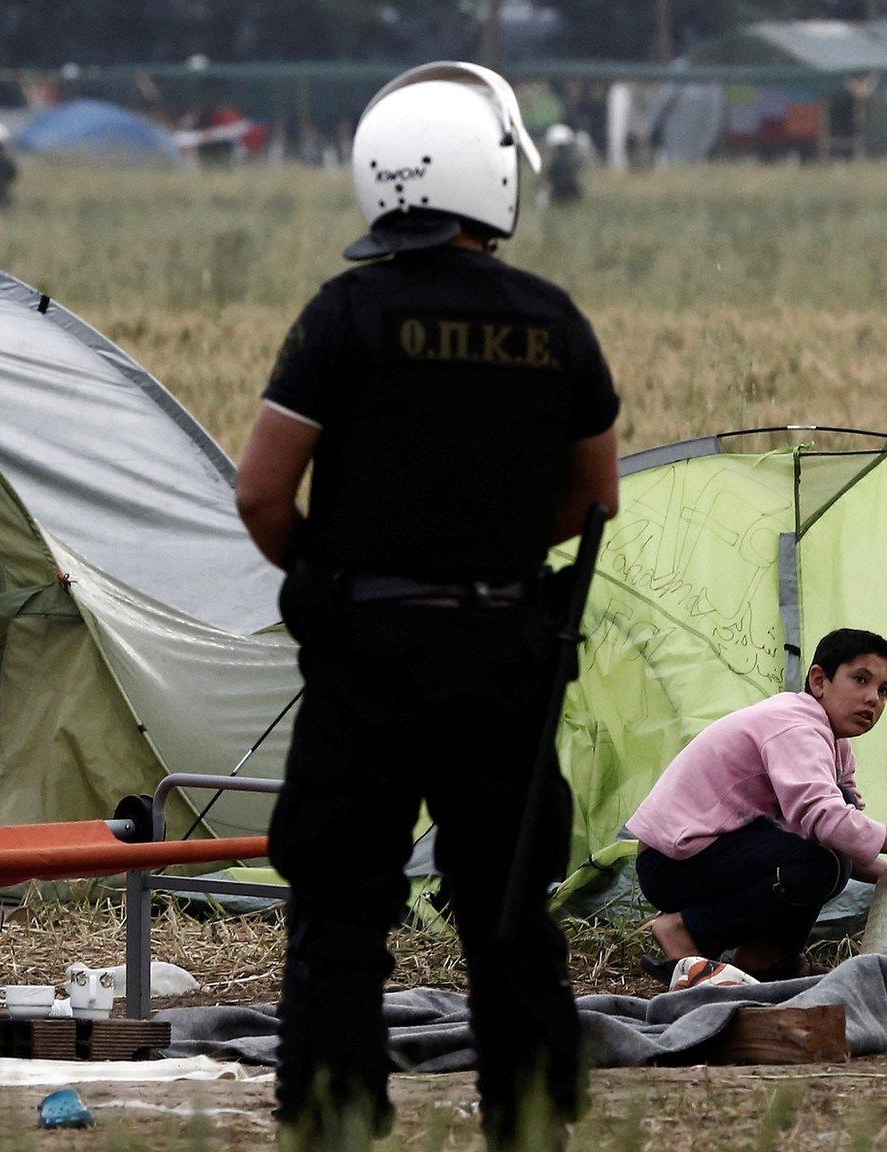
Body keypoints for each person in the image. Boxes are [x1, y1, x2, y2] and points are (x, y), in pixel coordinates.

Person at [234, 61, 621, 1152]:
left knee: (341, 911)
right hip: (504, 650)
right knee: (507, 910)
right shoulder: (551, 321)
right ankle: (532, 1120)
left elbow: (262, 490)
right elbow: (594, 496)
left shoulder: (344, 313)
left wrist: (326, 572)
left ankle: (335, 1120)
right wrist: (492, 556)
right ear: (487, 178)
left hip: (367, 651)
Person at [628, 629, 887, 988]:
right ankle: (685, 930)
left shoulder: (835, 746)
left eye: (883, 691)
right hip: (672, 864)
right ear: (819, 680)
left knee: (833, 842)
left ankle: (764, 958)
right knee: (824, 857)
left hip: (715, 855)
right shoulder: (794, 725)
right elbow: (831, 824)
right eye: (860, 680)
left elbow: (850, 838)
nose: (872, 699)